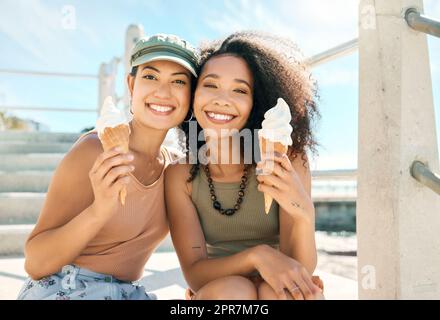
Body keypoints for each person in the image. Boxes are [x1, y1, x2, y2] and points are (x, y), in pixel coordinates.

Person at [17, 34, 198, 300]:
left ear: (191, 95)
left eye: (179, 81)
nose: (163, 91)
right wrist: (99, 210)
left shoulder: (176, 169)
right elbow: (35, 264)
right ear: (131, 84)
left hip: (128, 293)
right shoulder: (94, 150)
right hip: (66, 288)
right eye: (150, 77)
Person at [166, 31, 324, 300]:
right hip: (219, 288)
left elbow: (300, 266)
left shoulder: (289, 159)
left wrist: (304, 213)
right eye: (210, 85)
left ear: (256, 103)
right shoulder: (179, 176)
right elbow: (195, 273)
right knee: (234, 292)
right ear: (193, 95)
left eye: (240, 90)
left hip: (280, 283)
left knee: (279, 293)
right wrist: (257, 257)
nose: (222, 99)